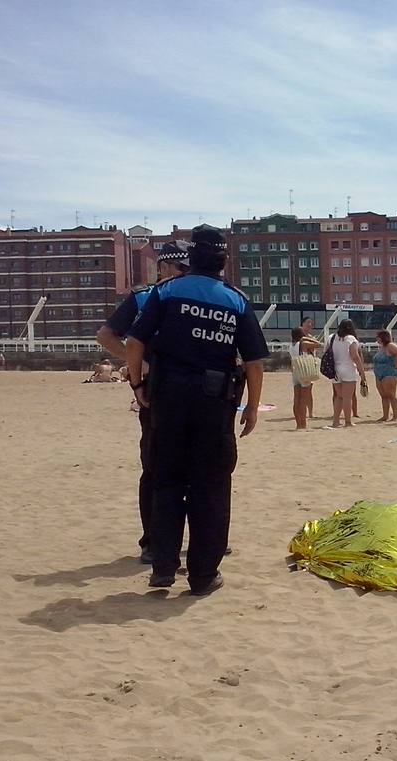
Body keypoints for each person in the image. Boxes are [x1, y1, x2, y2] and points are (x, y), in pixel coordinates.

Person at [125, 225, 269, 594]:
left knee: (167, 481)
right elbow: (254, 361)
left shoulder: (167, 291)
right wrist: (251, 408)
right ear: (224, 260)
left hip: (169, 400)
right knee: (212, 487)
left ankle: (163, 566)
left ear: (192, 258)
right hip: (214, 405)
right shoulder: (235, 299)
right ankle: (203, 575)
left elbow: (135, 341)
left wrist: (138, 385)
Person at [97, 240, 190, 563]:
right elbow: (106, 335)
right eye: (181, 269)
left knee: (195, 469)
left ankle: (197, 537)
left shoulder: (192, 296)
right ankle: (152, 540)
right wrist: (137, 363)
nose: (185, 275)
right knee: (154, 468)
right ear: (164, 268)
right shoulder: (142, 298)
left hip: (191, 394)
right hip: (152, 395)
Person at [326, 318, 365, 428]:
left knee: (339, 396)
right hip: (348, 369)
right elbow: (355, 357)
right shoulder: (351, 339)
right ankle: (348, 421)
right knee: (347, 397)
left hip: (335, 369)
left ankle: (336, 421)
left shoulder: (331, 337)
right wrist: (362, 372)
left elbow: (327, 352)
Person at [288, 326, 322, 430]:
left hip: (295, 372)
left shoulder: (292, 346)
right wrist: (307, 338)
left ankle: (298, 423)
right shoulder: (303, 343)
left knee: (296, 399)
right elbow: (319, 344)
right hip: (304, 371)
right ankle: (303, 424)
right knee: (303, 399)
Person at [372, 330, 397, 422]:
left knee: (391, 395)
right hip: (379, 374)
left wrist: (396, 363)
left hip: (389, 373)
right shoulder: (381, 347)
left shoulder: (390, 346)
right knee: (383, 396)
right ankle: (385, 415)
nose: (376, 338)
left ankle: (395, 416)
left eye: (378, 336)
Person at [299, 318, 319, 419]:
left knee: (309, 389)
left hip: (309, 364)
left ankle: (310, 412)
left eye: (311, 323)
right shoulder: (298, 337)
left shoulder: (310, 337)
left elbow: (314, 348)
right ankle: (301, 411)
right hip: (300, 364)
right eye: (308, 323)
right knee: (299, 390)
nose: (310, 325)